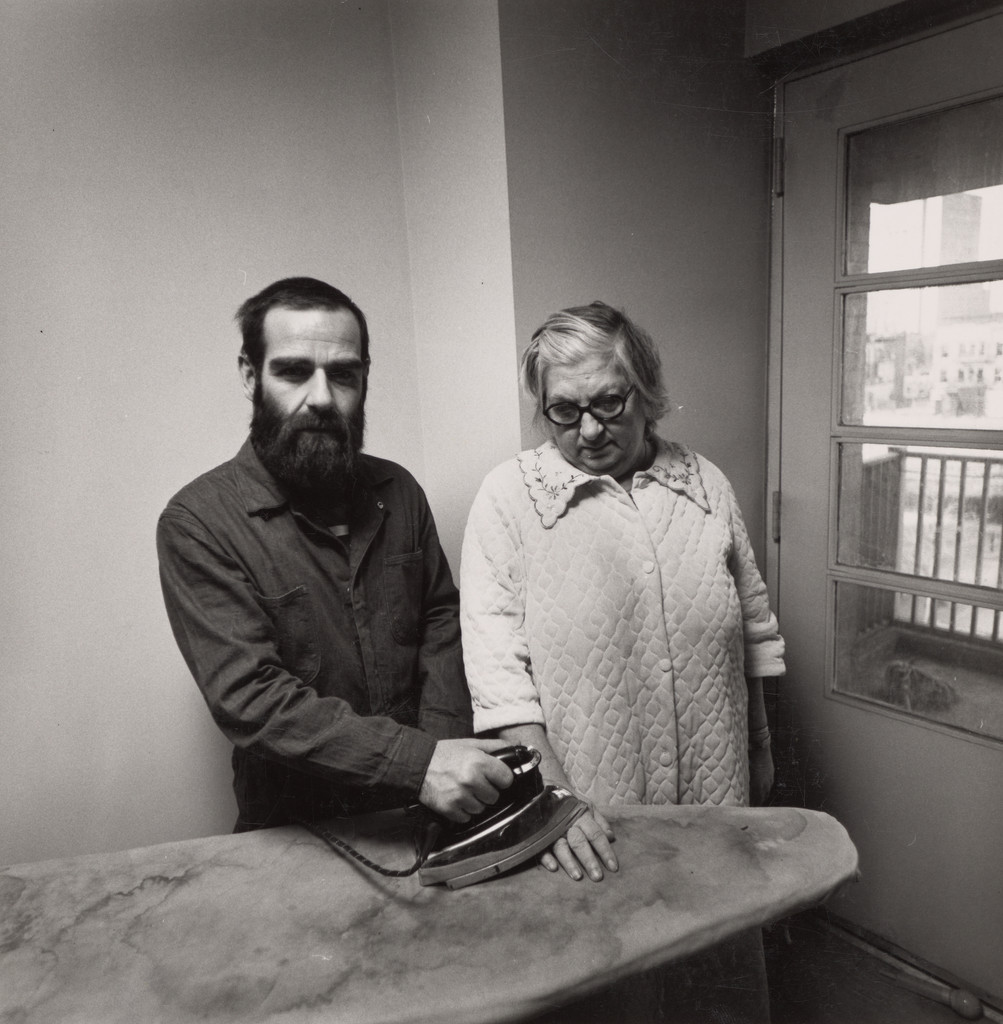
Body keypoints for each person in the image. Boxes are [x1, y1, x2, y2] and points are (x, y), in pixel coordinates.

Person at [157, 277, 511, 832]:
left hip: (431, 813)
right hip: (294, 832)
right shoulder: (198, 522)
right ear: (250, 375)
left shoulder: (399, 491)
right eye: (293, 372)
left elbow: (441, 622)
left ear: (364, 378)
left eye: (343, 374)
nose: (321, 398)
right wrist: (420, 765)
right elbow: (250, 698)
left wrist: (445, 756)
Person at [460, 301, 785, 884]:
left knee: (720, 919)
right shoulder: (508, 500)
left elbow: (752, 631)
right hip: (585, 813)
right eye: (564, 410)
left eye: (609, 402)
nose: (589, 430)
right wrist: (555, 803)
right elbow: (499, 681)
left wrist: (759, 747)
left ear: (646, 392)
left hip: (718, 783)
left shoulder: (706, 483)